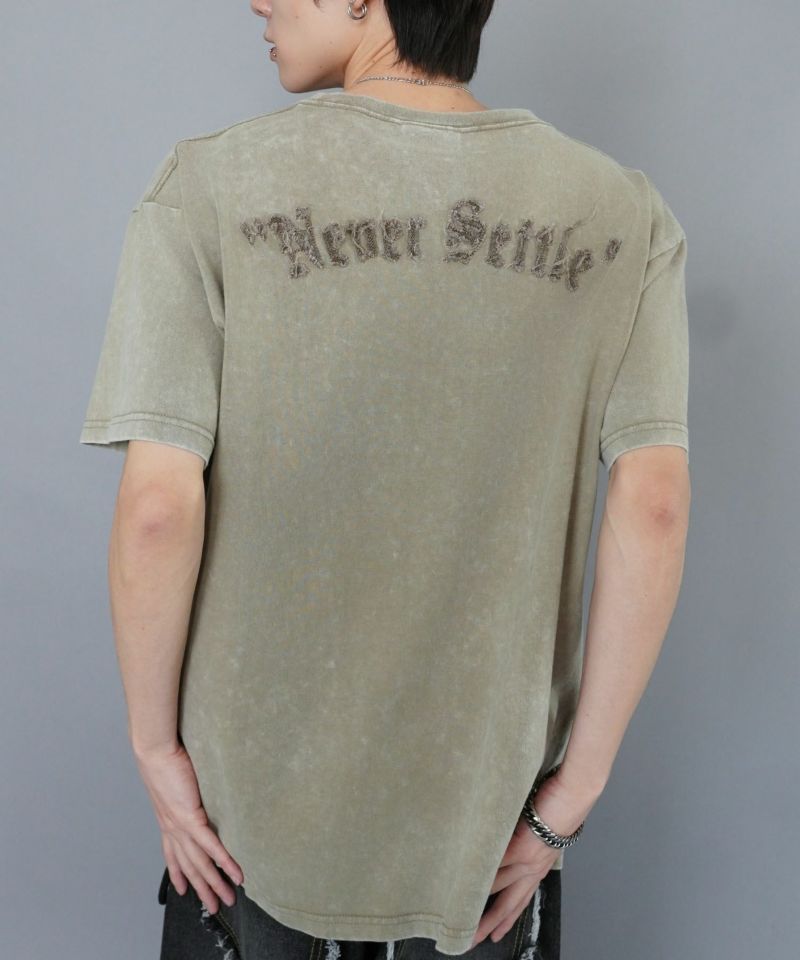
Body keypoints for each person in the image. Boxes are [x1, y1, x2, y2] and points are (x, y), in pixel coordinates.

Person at [78, 1, 691, 958]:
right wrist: (568, 801)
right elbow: (653, 506)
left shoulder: (208, 186)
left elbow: (158, 507)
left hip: (246, 833)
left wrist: (156, 754)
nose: (260, 1)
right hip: (483, 843)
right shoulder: (623, 212)